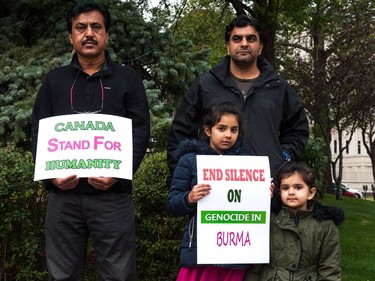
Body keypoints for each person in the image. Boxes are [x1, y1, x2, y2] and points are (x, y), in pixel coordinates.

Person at [31, 3, 150, 281]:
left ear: (106, 34)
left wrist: (118, 174)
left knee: (119, 275)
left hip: (113, 197)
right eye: (80, 27)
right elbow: (39, 132)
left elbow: (140, 132)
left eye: (96, 27)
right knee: (62, 276)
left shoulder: (128, 80)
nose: (89, 33)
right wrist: (52, 178)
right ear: (71, 37)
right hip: (63, 198)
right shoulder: (54, 81)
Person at [167, 14, 309, 182]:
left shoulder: (278, 87)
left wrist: (283, 158)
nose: (244, 44)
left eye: (251, 39)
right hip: (213, 188)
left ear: (260, 47)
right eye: (237, 39)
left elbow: (298, 130)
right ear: (228, 46)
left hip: (266, 188)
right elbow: (181, 132)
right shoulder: (204, 85)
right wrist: (183, 177)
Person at [167, 102, 249, 281]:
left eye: (234, 130)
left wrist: (262, 193)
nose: (228, 135)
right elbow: (173, 204)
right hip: (199, 252)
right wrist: (189, 198)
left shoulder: (246, 165)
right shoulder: (190, 160)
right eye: (221, 128)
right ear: (208, 130)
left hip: (235, 253)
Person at [244, 161, 344, 281]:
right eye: (285, 188)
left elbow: (330, 270)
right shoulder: (269, 220)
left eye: (298, 187)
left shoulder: (325, 225)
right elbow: (255, 267)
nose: (291, 192)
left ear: (311, 193)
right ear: (279, 191)